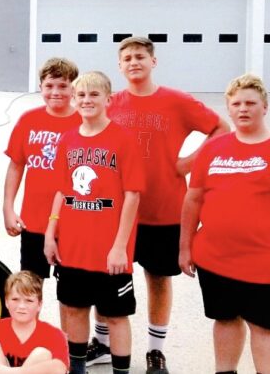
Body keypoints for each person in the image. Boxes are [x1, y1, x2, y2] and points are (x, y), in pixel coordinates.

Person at [94, 35, 227, 373]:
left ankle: (156, 351)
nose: (134, 62)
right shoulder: (112, 102)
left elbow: (221, 130)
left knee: (157, 278)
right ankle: (102, 342)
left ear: (154, 61)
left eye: (140, 56)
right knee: (105, 277)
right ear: (119, 66)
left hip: (164, 208)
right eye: (127, 58)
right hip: (116, 210)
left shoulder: (176, 101)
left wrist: (189, 162)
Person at [179, 74, 270, 374]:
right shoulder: (213, 149)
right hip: (215, 260)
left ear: (264, 107)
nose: (243, 109)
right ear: (228, 109)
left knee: (265, 327)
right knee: (225, 319)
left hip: (266, 265)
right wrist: (185, 248)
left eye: (251, 103)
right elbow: (193, 200)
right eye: (236, 104)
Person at [43, 71, 144, 374]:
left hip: (109, 250)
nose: (87, 101)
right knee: (74, 310)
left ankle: (121, 371)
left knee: (115, 316)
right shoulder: (68, 139)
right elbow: (62, 190)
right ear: (74, 101)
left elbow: (133, 196)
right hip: (72, 246)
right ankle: (77, 369)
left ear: (108, 100)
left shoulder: (123, 139)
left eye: (94, 95)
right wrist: (51, 233)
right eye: (81, 96)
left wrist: (120, 247)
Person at [3, 57, 80, 280]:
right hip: (34, 219)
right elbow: (16, 165)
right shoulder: (29, 120)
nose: (56, 92)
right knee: (31, 283)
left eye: (63, 86)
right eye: (49, 86)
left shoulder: (83, 121)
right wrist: (8, 207)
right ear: (40, 87)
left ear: (73, 87)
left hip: (72, 220)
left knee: (71, 291)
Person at [0, 271, 69, 374]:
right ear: (6, 302)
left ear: (39, 305)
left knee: (42, 354)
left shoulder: (53, 334)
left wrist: (16, 372)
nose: (21, 306)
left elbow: (60, 367)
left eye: (29, 301)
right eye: (15, 299)